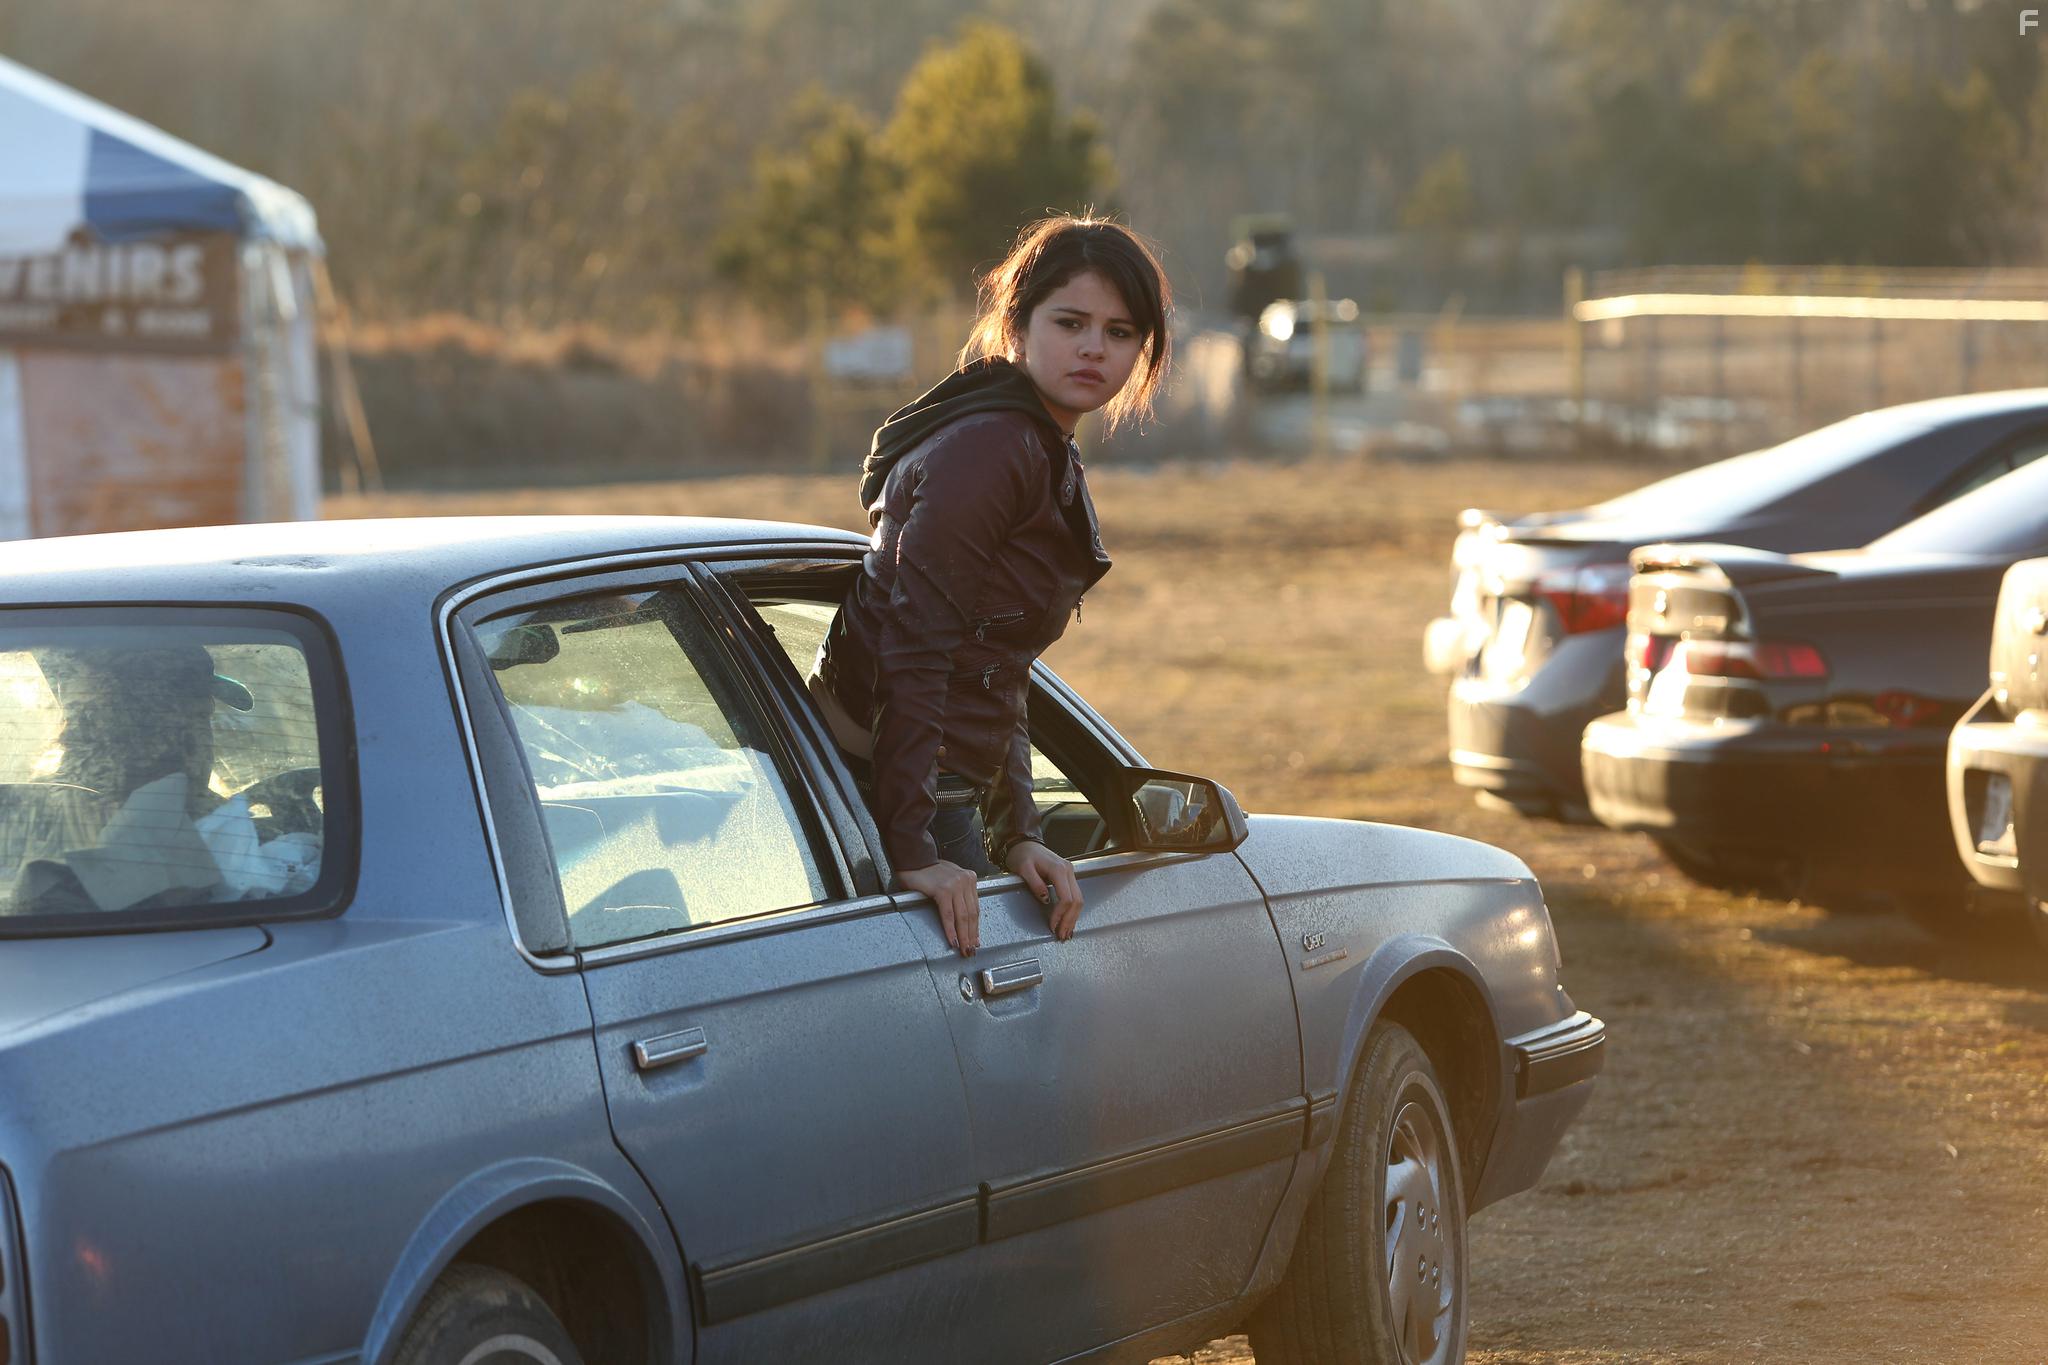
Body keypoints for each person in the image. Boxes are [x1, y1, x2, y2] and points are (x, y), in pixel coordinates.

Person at [809, 215, 1171, 958]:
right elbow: (916, 650)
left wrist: (1018, 835)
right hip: (893, 781)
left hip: (933, 784)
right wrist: (912, 847)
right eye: (1070, 322)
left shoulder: (1039, 445)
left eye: (1120, 331)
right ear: (1018, 323)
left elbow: (998, 665)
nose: (1094, 348)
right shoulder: (989, 449)